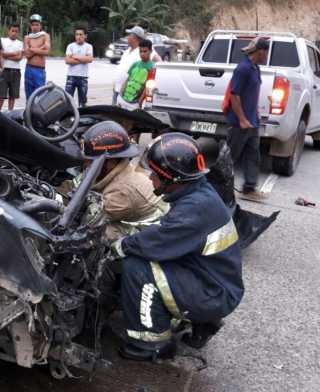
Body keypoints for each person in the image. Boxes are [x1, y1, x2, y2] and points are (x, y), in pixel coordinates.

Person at [111, 132, 243, 361]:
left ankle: (150, 344)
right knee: (150, 261)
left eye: (156, 174)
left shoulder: (194, 209)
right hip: (216, 281)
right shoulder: (199, 194)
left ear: (173, 178)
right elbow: (169, 234)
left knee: (137, 268)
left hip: (213, 292)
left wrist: (120, 245)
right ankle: (201, 320)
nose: (151, 178)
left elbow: (157, 243)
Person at [79, 121, 169, 241]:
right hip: (135, 214)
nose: (85, 164)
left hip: (154, 231)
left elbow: (89, 219)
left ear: (110, 162)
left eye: (90, 161)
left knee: (97, 234)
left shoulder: (121, 192)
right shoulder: (114, 171)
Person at [226, 37, 269, 200]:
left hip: (252, 121)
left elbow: (250, 94)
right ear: (260, 51)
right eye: (266, 52)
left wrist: (254, 114)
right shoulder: (243, 69)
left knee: (253, 155)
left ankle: (249, 189)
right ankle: (218, 187)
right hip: (239, 123)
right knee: (230, 156)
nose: (267, 55)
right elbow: (234, 96)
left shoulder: (255, 68)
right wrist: (242, 119)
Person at [112, 26, 162, 105]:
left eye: (129, 35)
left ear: (135, 38)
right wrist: (115, 84)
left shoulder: (143, 49)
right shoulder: (127, 50)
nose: (127, 37)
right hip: (118, 90)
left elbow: (158, 60)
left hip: (131, 95)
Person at [117, 39, 155, 111]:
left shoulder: (152, 68)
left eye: (145, 51)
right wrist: (120, 95)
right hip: (123, 99)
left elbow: (148, 88)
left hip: (135, 104)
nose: (142, 54)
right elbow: (127, 80)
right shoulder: (135, 64)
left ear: (150, 51)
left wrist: (139, 102)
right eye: (140, 51)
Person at [64, 27, 94, 108]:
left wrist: (74, 56)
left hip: (83, 78)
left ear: (85, 36)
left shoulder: (88, 46)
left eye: (81, 34)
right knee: (67, 102)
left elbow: (90, 59)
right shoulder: (70, 46)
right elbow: (67, 61)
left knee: (83, 103)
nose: (78, 36)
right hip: (71, 77)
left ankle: (81, 118)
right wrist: (83, 59)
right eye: (77, 34)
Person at [0, 24, 23, 111]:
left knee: (13, 96)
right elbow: (1, 54)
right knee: (1, 95)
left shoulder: (20, 43)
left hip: (16, 71)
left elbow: (19, 58)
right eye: (12, 31)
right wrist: (14, 53)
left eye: (16, 31)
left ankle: (10, 114)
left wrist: (6, 56)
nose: (14, 33)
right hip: (5, 70)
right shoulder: (2, 40)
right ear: (8, 31)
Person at [23, 14, 50, 98]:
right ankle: (29, 111)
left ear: (40, 25)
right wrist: (40, 47)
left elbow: (46, 51)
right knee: (29, 96)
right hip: (29, 69)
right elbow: (27, 55)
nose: (35, 27)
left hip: (40, 70)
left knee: (40, 96)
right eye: (33, 25)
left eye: (37, 25)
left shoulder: (45, 36)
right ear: (30, 26)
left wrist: (32, 49)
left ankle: (38, 111)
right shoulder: (27, 37)